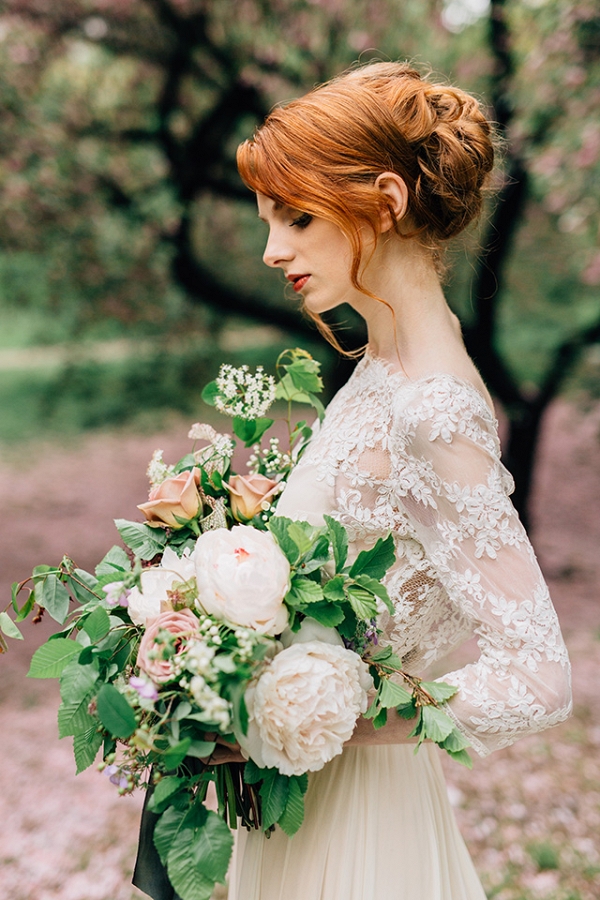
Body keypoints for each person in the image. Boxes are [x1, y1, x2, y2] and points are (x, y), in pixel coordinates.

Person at [134, 61, 572, 900]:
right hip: (305, 814)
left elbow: (539, 675)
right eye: (268, 220)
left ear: (384, 201)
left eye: (297, 217)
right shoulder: (379, 369)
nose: (272, 250)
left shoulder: (434, 411)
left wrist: (312, 715)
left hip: (366, 831)